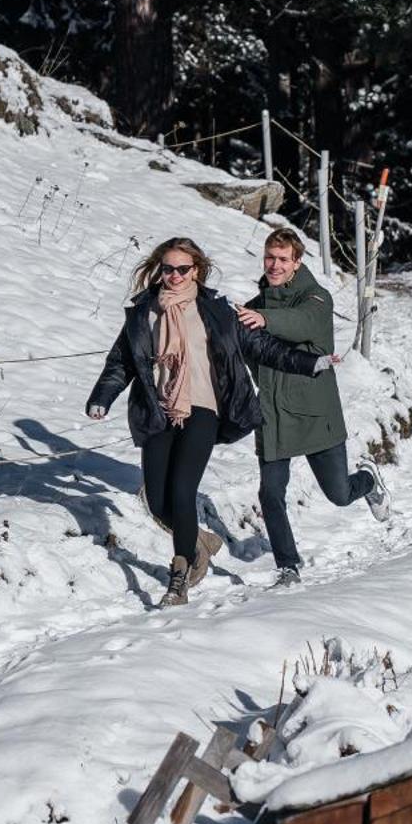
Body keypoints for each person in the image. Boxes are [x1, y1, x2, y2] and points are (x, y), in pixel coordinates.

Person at [86, 236, 329, 607]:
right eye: (168, 269)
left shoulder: (215, 309)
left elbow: (260, 347)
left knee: (183, 492)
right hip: (158, 409)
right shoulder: (144, 310)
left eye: (183, 269)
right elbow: (122, 361)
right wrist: (102, 397)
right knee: (158, 501)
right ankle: (200, 542)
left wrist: (309, 363)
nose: (175, 276)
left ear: (195, 270)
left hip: (203, 409)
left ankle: (179, 576)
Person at [236, 226, 390, 587]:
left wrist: (266, 320)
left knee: (338, 494)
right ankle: (288, 565)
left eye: (282, 259)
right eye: (269, 258)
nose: (274, 265)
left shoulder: (316, 298)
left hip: (314, 414)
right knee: (270, 494)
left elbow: (303, 323)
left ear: (297, 262)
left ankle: (367, 482)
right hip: (272, 414)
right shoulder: (256, 305)